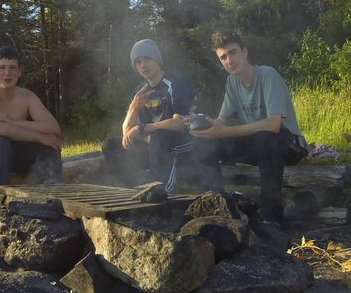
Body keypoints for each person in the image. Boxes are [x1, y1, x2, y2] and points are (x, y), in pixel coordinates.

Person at [188, 30, 308, 225]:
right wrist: (203, 122)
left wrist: (224, 131)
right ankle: (215, 209)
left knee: (264, 138)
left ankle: (271, 219)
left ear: (245, 52)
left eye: (233, 52)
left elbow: (273, 124)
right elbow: (222, 122)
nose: (229, 60)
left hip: (289, 144)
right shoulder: (232, 82)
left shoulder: (267, 75)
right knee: (204, 143)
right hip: (258, 145)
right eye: (223, 57)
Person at [0, 46, 62, 203]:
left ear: (19, 71)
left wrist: (10, 120)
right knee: (0, 144)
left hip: (12, 150)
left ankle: (51, 203)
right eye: (1, 68)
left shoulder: (27, 96)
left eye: (12, 68)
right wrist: (40, 137)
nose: (7, 73)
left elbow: (53, 127)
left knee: (48, 150)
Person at [102, 39, 196, 192]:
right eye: (138, 62)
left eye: (147, 59)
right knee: (111, 145)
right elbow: (127, 132)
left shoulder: (177, 83)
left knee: (159, 136)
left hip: (182, 144)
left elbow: (180, 124)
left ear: (157, 60)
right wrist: (133, 107)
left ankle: (161, 193)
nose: (143, 65)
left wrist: (144, 128)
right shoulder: (140, 92)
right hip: (152, 147)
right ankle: (126, 190)